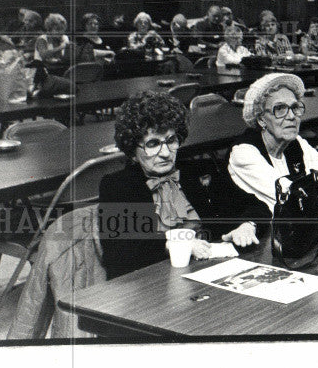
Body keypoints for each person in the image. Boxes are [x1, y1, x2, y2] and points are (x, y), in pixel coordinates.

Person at [97, 91, 269, 280]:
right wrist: (175, 243)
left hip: (213, 273)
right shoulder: (118, 186)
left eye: (171, 140)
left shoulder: (198, 171)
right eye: (153, 143)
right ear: (132, 151)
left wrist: (248, 225)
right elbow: (119, 257)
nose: (165, 153)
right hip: (153, 286)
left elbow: (256, 206)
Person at [227, 73, 318, 211]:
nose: (291, 116)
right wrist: (316, 179)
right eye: (279, 109)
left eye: (294, 107)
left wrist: (309, 185)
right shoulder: (244, 153)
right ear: (261, 119)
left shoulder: (296, 142)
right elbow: (292, 199)